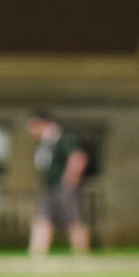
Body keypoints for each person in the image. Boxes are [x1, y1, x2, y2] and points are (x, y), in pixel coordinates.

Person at [27, 110, 90, 256]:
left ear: (41, 124)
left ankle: (81, 253)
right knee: (41, 218)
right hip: (48, 187)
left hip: (63, 187)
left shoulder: (62, 139)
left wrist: (69, 180)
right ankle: (37, 254)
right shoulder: (45, 143)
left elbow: (78, 157)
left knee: (73, 220)